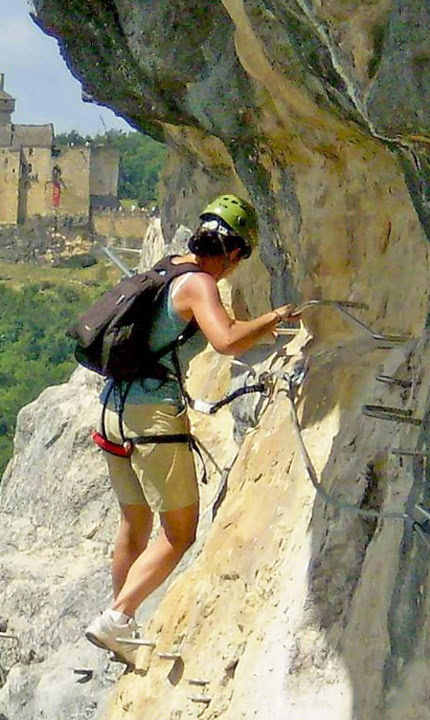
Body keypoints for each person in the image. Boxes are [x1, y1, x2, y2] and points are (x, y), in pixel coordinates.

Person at [84, 194, 299, 663]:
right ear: (233, 252)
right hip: (151, 418)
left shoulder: (169, 267)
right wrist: (275, 318)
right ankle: (117, 618)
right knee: (179, 533)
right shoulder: (201, 283)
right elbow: (224, 341)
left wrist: (249, 325)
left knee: (133, 524)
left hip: (112, 409)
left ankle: (122, 624)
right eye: (239, 258)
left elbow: (194, 328)